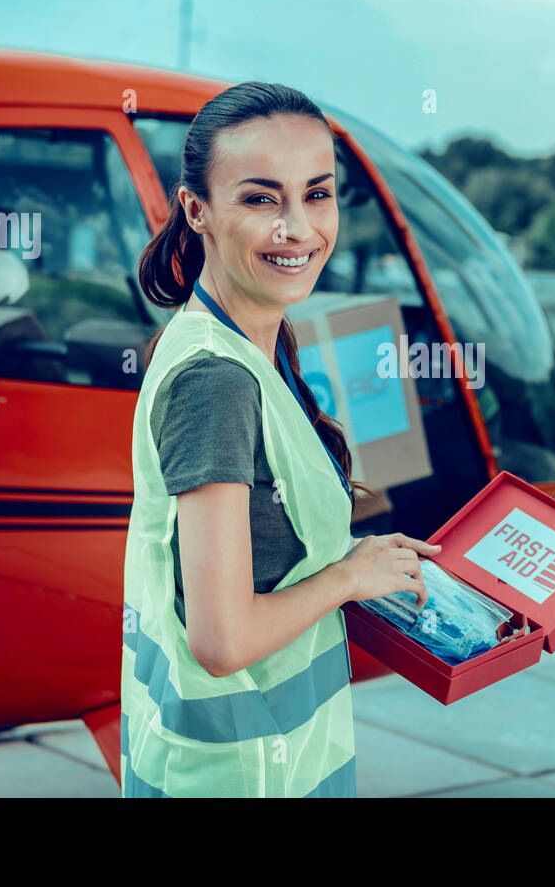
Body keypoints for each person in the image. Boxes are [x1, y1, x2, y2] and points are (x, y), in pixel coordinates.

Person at [121, 82, 438, 797]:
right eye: (262, 198)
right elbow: (222, 638)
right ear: (195, 209)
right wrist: (349, 576)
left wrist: (362, 566)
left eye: (317, 194)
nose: (299, 227)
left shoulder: (249, 343)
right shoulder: (218, 379)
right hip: (244, 774)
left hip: (266, 762)